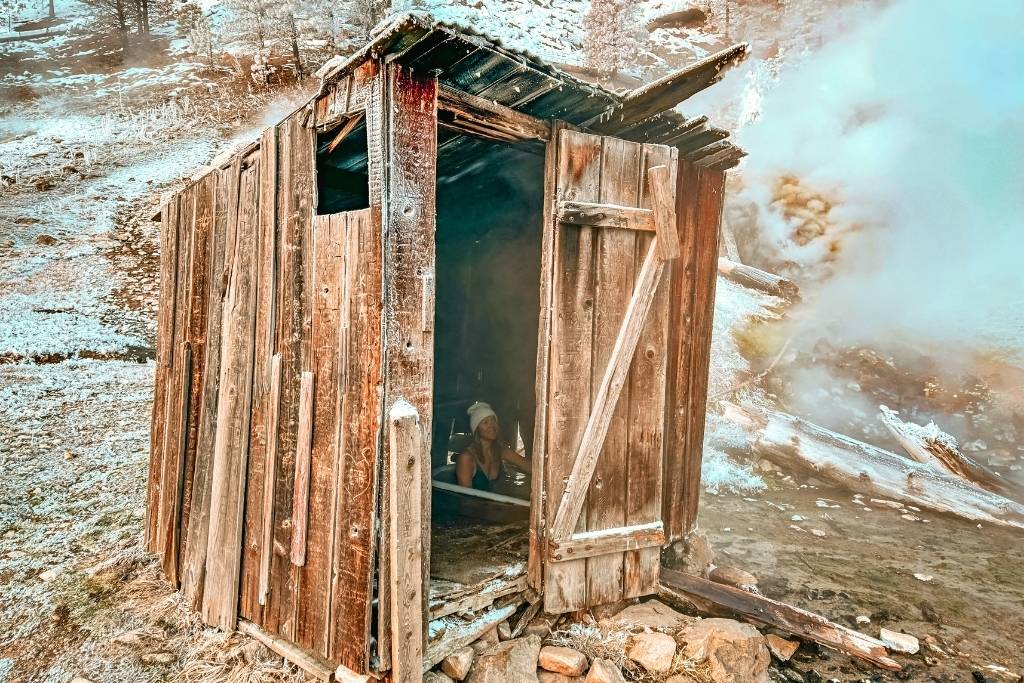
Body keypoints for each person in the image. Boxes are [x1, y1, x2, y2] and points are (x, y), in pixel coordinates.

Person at [456, 401, 531, 491]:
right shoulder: (466, 458)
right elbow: (465, 499)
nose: (492, 426)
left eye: (493, 420)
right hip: (476, 504)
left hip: (497, 502)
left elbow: (526, 464)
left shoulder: (500, 450)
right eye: (485, 422)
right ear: (476, 429)